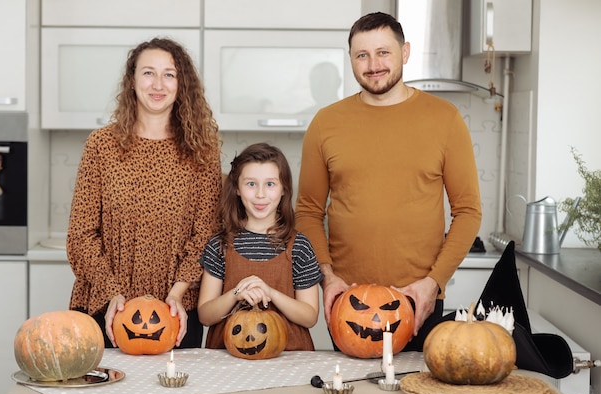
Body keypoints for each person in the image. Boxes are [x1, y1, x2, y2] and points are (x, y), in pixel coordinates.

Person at [295, 12, 482, 351]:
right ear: (351, 59)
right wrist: (327, 276)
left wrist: (433, 283)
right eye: (361, 55)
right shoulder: (326, 123)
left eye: (383, 52)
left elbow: (468, 212)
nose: (373, 64)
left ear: (405, 53)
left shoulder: (445, 119)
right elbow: (307, 211)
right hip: (350, 303)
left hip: (418, 298)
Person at [67, 37, 222, 349]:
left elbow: (207, 232)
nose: (158, 84)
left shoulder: (202, 151)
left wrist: (177, 293)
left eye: (169, 74)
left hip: (176, 308)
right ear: (132, 80)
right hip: (106, 305)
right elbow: (81, 235)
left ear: (182, 84)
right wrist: (113, 293)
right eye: (149, 73)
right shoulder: (101, 145)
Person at [198, 143, 322, 351]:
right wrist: (236, 294)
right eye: (251, 184)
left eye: (271, 184)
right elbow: (205, 316)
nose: (261, 194)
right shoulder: (219, 245)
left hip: (288, 360)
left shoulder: (300, 246)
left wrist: (270, 292)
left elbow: (309, 317)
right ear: (237, 188)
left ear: (284, 189)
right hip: (228, 361)